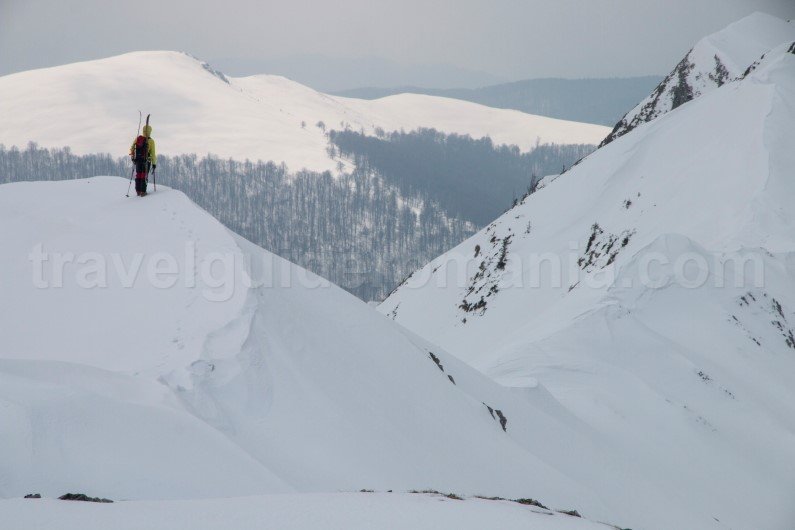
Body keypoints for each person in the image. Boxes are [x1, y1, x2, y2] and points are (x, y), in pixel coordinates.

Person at [130, 124, 157, 197]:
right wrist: (154, 163)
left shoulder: (138, 139)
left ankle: (138, 191)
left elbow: (132, 148)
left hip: (138, 160)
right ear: (150, 131)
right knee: (144, 175)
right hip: (146, 161)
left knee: (138, 174)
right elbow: (153, 153)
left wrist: (133, 157)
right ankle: (143, 192)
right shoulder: (151, 141)